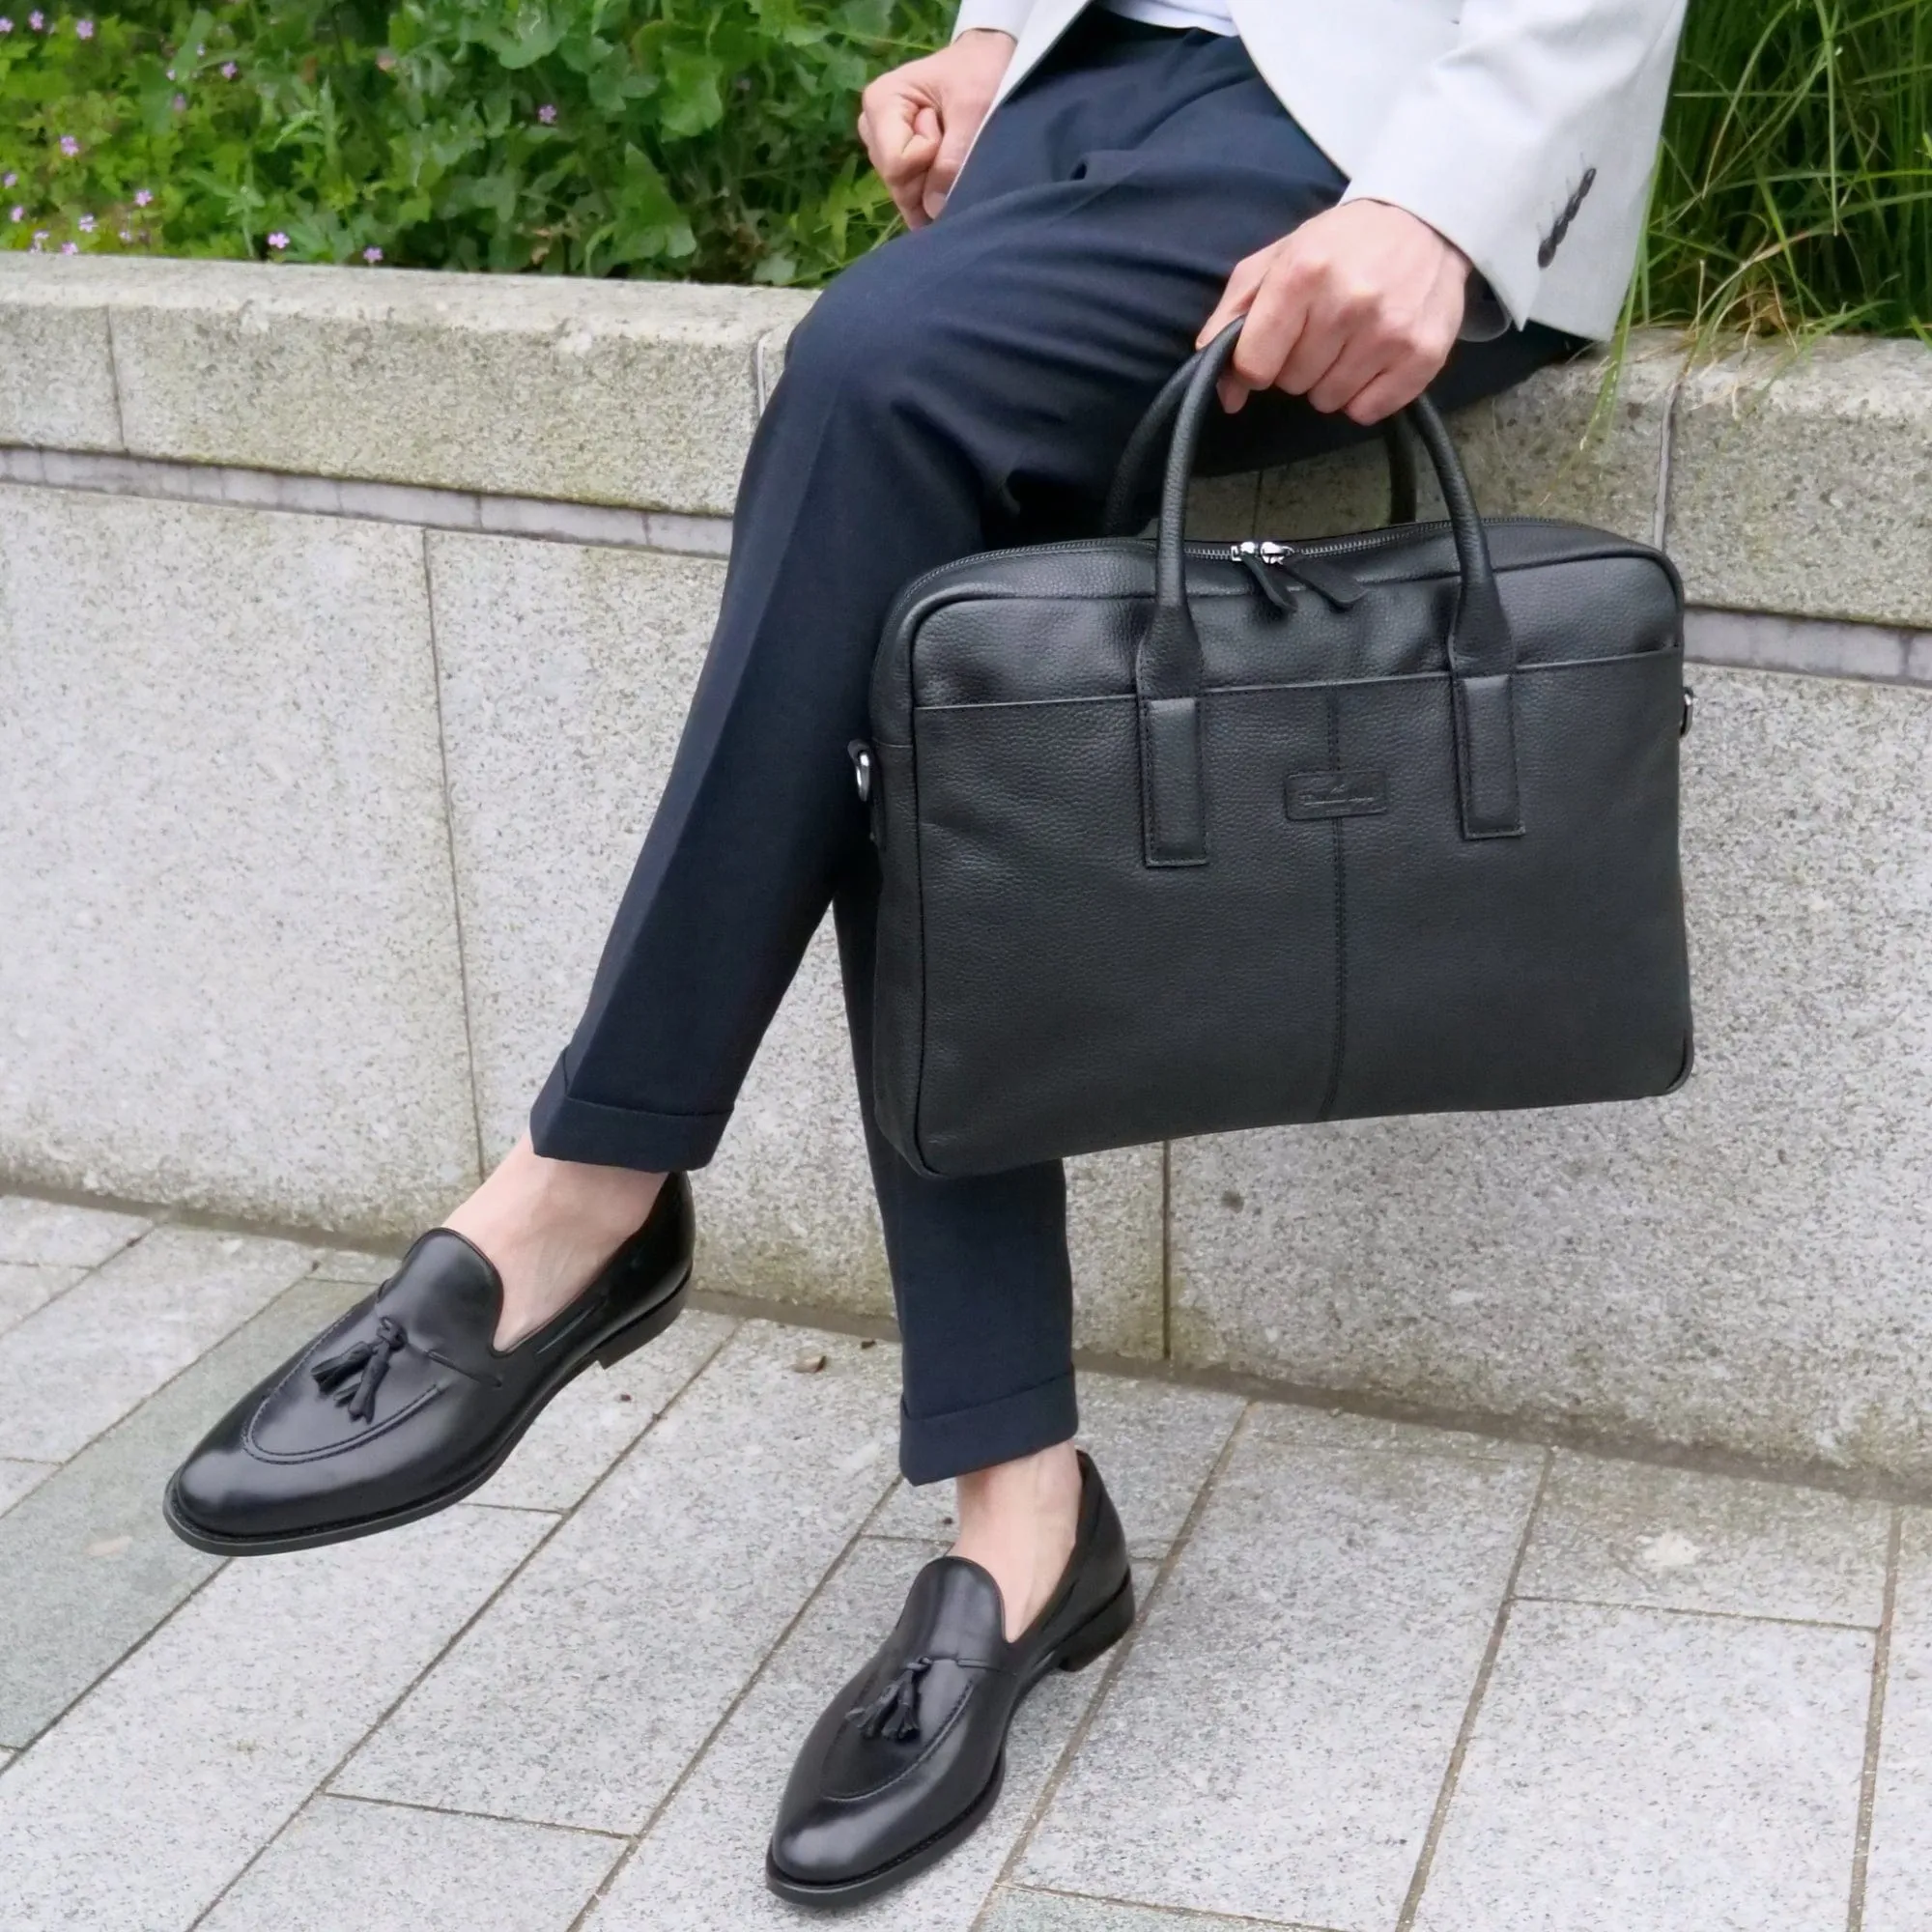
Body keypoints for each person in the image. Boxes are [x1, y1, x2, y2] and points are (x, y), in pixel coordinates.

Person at [165, 0, 1688, 1904]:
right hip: (1109, 93)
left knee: (879, 377)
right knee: (903, 591)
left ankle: (588, 1186)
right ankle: (1023, 1515)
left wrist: (1452, 192)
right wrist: (995, 38)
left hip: (1381, 115)